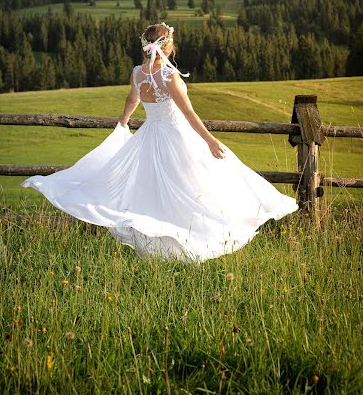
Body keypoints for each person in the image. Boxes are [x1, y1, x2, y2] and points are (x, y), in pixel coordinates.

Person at [22, 22, 298, 261]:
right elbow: (189, 113)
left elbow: (133, 100)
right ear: (167, 47)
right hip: (177, 136)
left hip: (150, 136)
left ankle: (165, 246)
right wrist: (211, 141)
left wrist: (123, 121)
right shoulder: (169, 76)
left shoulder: (137, 73)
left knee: (157, 189)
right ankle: (187, 241)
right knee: (195, 186)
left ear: (146, 46)